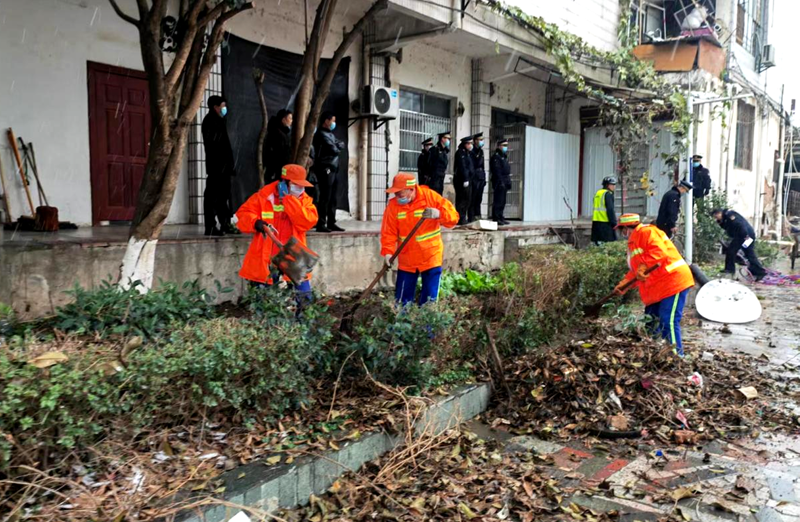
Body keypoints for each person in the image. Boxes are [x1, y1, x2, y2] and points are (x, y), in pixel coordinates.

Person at [613, 213, 695, 357]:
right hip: (660, 286)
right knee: (650, 320)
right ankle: (654, 353)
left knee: (667, 319)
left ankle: (677, 357)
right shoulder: (633, 243)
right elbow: (637, 271)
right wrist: (624, 284)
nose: (622, 234)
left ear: (626, 228)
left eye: (622, 230)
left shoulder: (647, 232)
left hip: (673, 281)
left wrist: (643, 266)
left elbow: (658, 252)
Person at [235, 164, 318, 302]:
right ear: (283, 183)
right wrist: (256, 223)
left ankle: (301, 323)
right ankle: (265, 324)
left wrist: (289, 200)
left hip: (293, 254)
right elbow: (243, 215)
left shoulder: (303, 200)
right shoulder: (264, 196)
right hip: (267, 255)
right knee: (263, 299)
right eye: (296, 185)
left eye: (302, 185)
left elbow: (306, 222)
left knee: (304, 298)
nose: (300, 189)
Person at [380, 173, 459, 305]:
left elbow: (453, 219)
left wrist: (439, 214)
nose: (397, 197)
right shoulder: (393, 206)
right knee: (401, 301)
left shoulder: (431, 197)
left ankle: (426, 326)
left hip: (430, 257)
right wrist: (388, 253)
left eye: (401, 194)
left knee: (429, 300)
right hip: (407, 260)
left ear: (412, 189)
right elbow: (388, 232)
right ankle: (401, 325)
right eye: (396, 194)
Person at [202, 95, 237, 236]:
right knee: (213, 197)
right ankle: (210, 226)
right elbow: (214, 146)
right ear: (215, 107)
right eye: (222, 106)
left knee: (224, 196)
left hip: (224, 167)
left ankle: (225, 224)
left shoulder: (220, 121)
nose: (224, 108)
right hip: (217, 167)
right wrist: (223, 164)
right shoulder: (210, 121)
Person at [311, 111, 345, 233]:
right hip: (326, 168)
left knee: (333, 197)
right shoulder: (320, 134)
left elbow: (341, 144)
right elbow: (333, 149)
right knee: (325, 195)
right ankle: (321, 223)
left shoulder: (330, 134)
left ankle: (331, 221)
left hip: (334, 168)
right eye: (332, 121)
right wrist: (336, 146)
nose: (334, 123)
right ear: (326, 121)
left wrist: (337, 145)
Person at [711, 208, 767, 281]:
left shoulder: (729, 215)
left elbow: (740, 225)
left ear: (719, 213)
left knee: (732, 251)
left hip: (745, 236)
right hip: (746, 236)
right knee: (748, 253)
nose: (716, 218)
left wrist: (745, 237)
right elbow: (728, 228)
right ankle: (758, 271)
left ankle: (730, 269)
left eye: (716, 216)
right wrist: (720, 223)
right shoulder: (725, 217)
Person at [263, 109, 292, 184]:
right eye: (290, 118)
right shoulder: (278, 134)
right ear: (283, 120)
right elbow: (280, 154)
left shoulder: (282, 133)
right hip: (277, 169)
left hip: (279, 168)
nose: (291, 121)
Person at [454, 136, 475, 226]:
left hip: (468, 179)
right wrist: (465, 179)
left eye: (471, 144)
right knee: (462, 199)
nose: (470, 145)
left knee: (467, 199)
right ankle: (460, 218)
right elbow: (463, 167)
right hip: (461, 180)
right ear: (465, 144)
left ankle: (463, 217)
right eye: (469, 144)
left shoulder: (467, 153)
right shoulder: (460, 153)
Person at [490, 138, 511, 225]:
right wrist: (500, 181)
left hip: (505, 179)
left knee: (503, 200)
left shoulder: (503, 156)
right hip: (499, 181)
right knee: (498, 200)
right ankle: (496, 217)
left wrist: (507, 181)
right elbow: (497, 170)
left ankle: (501, 216)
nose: (506, 147)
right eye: (504, 145)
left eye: (506, 145)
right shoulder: (496, 157)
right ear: (499, 146)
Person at [591, 176, 618, 244]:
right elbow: (610, 209)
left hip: (596, 222)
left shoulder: (598, 193)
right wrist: (614, 223)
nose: (614, 187)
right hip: (606, 223)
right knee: (608, 244)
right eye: (612, 184)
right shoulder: (608, 194)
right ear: (607, 185)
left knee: (597, 243)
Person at [469, 132, 487, 223]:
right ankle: (471, 216)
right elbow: (472, 165)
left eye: (482, 140)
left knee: (479, 198)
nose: (481, 141)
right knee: (473, 197)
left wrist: (484, 178)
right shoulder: (472, 151)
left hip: (480, 176)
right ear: (475, 141)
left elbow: (483, 166)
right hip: (474, 176)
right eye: (480, 140)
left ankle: (478, 214)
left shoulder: (481, 151)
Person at [426, 131, 450, 195]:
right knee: (434, 196)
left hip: (441, 177)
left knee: (439, 196)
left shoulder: (444, 150)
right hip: (434, 178)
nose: (448, 141)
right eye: (447, 139)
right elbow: (429, 164)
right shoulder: (434, 150)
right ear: (442, 139)